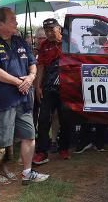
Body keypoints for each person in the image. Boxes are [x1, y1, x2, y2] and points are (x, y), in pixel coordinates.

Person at [0, 8, 49, 198]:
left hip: (23, 100)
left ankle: (27, 172)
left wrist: (30, 78)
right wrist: (19, 82)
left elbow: (33, 63)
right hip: (1, 101)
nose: (16, 22)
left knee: (29, 136)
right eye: (12, 20)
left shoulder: (19, 41)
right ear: (0, 24)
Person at [33, 18, 74, 164]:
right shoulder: (44, 45)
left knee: (66, 119)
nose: (49, 33)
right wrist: (38, 86)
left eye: (52, 30)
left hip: (66, 88)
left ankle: (64, 149)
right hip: (48, 87)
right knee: (43, 119)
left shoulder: (70, 43)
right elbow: (41, 66)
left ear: (59, 29)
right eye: (46, 31)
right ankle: (42, 152)